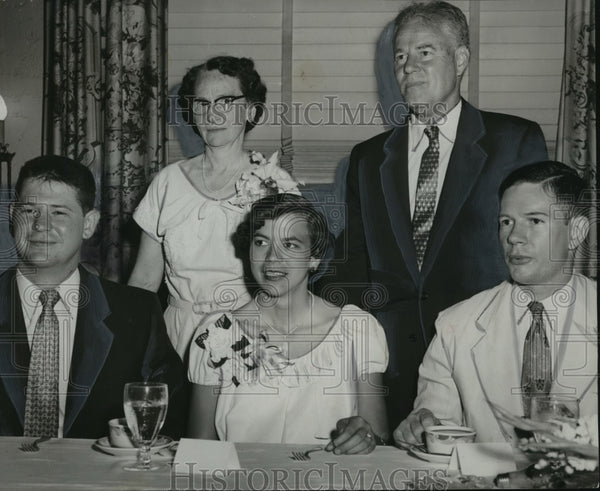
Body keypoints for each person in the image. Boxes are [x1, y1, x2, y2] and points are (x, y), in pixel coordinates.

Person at [320, 0, 549, 428]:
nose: (408, 67)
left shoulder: (514, 140)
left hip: (487, 359)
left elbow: (538, 257)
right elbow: (349, 262)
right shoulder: (368, 158)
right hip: (389, 364)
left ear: (460, 59)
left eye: (425, 52)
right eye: (401, 56)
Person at [393, 161, 597, 445]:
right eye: (506, 222)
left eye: (534, 220)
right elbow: (436, 430)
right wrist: (421, 429)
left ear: (576, 231)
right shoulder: (455, 325)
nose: (513, 237)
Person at [0, 155, 186, 439]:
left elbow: (169, 414)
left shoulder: (136, 313)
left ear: (89, 224)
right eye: (29, 211)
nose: (40, 225)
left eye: (59, 212)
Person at [187, 194, 389, 453]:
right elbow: (198, 450)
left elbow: (379, 439)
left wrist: (365, 437)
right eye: (261, 242)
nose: (272, 257)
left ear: (314, 258)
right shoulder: (217, 333)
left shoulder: (357, 330)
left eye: (290, 245)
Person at [129, 56, 299, 359]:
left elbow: (290, 278)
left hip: (248, 333)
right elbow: (143, 282)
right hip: (175, 338)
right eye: (202, 103)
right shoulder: (167, 182)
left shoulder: (275, 183)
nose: (213, 114)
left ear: (250, 109)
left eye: (225, 101)